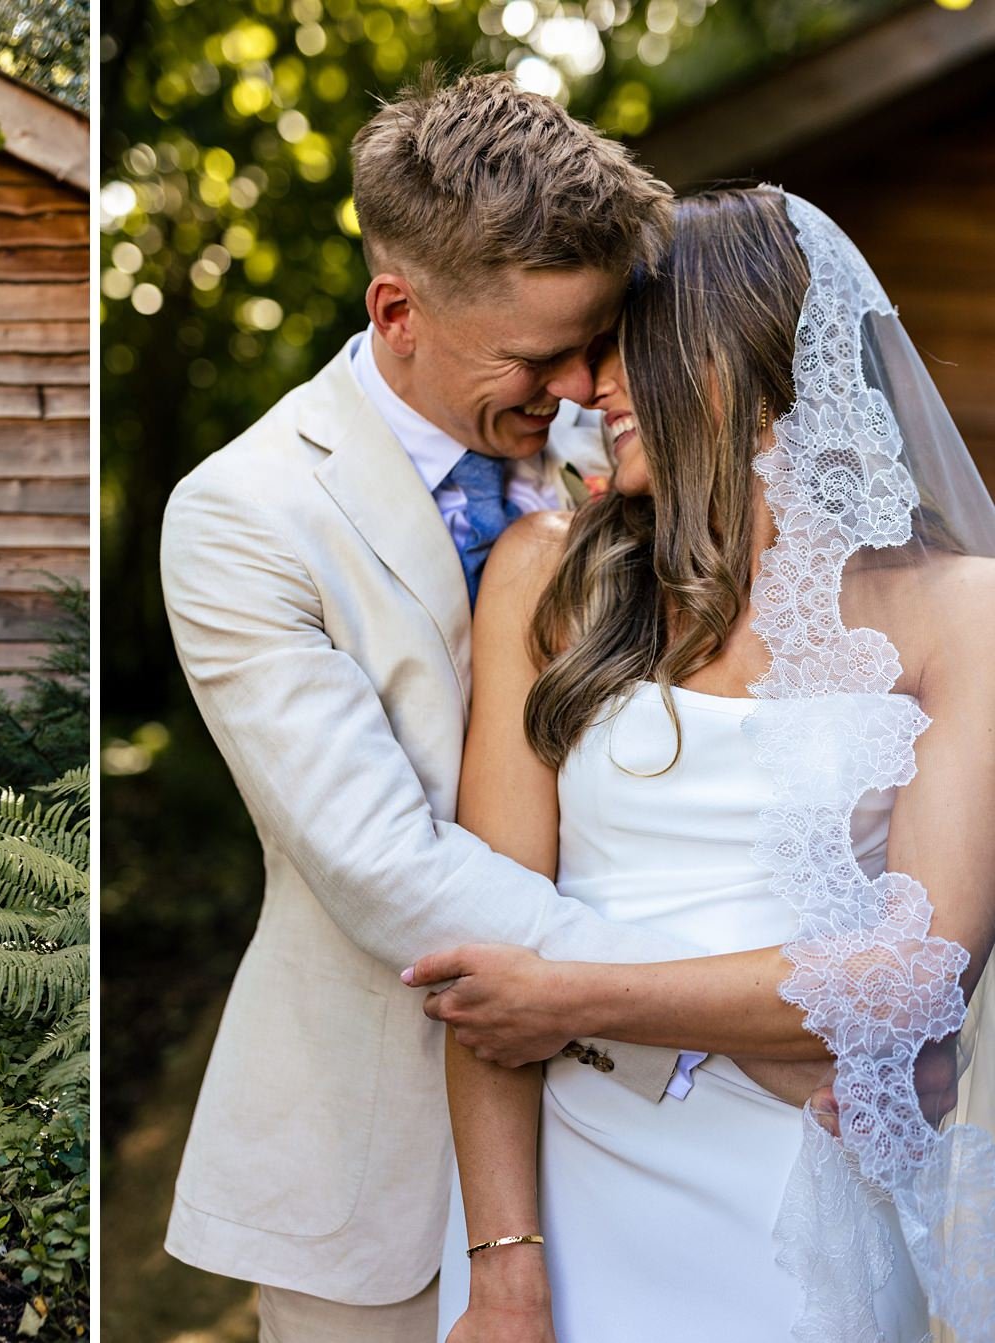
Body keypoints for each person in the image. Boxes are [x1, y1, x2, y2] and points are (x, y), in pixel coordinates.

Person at [157, 72, 833, 1342]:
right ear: (398, 310)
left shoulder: (620, 451)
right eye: (538, 355)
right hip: (376, 1153)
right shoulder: (244, 517)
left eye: (597, 340)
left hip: (645, 1150)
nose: (583, 383)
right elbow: (384, 868)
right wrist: (754, 1015)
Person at [430, 188, 995, 1341]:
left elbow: (907, 972)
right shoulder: (549, 574)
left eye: (617, 349)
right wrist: (503, 1271)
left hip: (798, 1181)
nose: (586, 390)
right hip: (570, 1172)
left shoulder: (961, 610)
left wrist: (573, 997)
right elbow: (490, 950)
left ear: (730, 353)